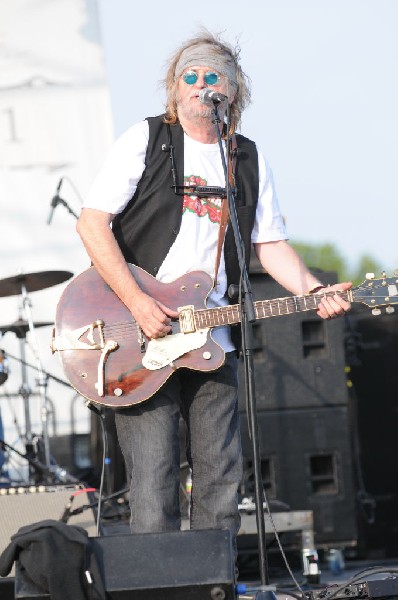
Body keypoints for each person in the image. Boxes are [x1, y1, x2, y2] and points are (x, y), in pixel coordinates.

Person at [76, 30, 351, 563]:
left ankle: (212, 581)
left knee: (221, 481)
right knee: (153, 484)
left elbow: (269, 244)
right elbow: (91, 224)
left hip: (212, 338)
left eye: (213, 77)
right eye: (192, 77)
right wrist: (136, 301)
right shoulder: (148, 139)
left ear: (234, 92)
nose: (202, 86)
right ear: (174, 89)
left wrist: (313, 291)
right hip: (141, 334)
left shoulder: (245, 158)